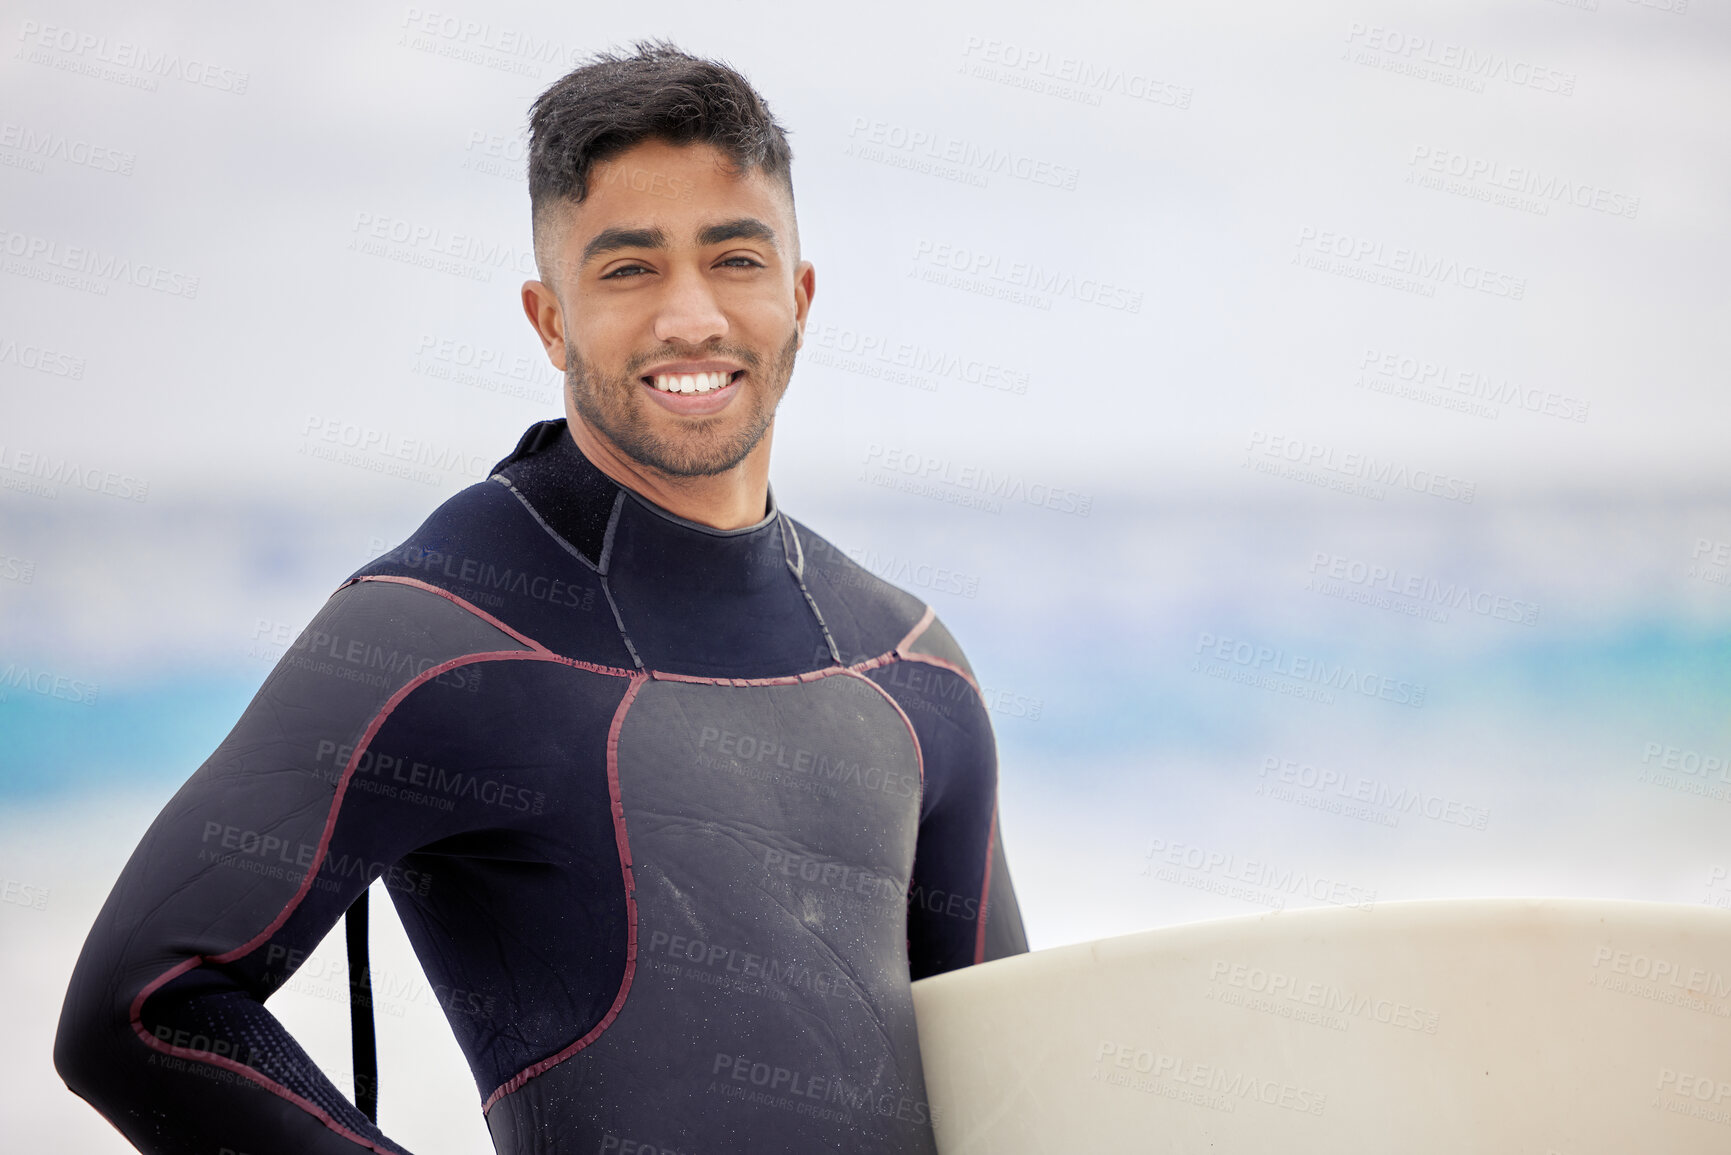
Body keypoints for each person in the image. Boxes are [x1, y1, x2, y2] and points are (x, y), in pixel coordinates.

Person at [53, 40, 1027, 1155]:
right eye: (627, 269)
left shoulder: (910, 666)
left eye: (736, 259)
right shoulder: (437, 635)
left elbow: (1012, 1086)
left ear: (798, 296)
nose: (690, 318)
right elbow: (139, 1008)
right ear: (550, 319)